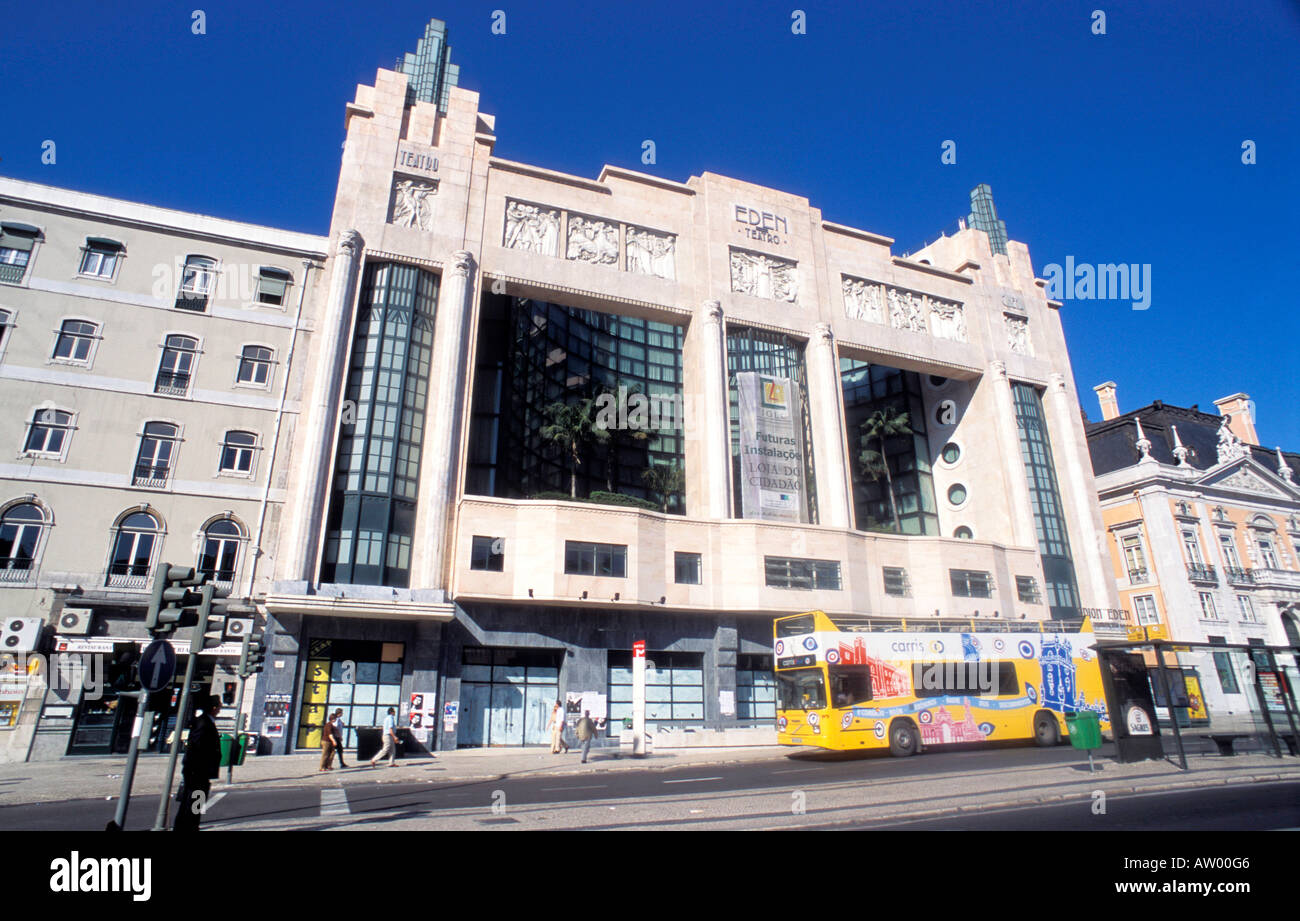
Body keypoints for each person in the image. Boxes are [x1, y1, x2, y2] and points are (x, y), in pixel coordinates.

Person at [174, 695, 222, 831]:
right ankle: (191, 827)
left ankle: (188, 826)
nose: (220, 709)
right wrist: (194, 769)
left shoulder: (204, 721)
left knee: (192, 802)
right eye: (219, 706)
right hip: (198, 772)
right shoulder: (204, 723)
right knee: (194, 803)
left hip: (199, 771)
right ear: (213, 708)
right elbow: (196, 747)